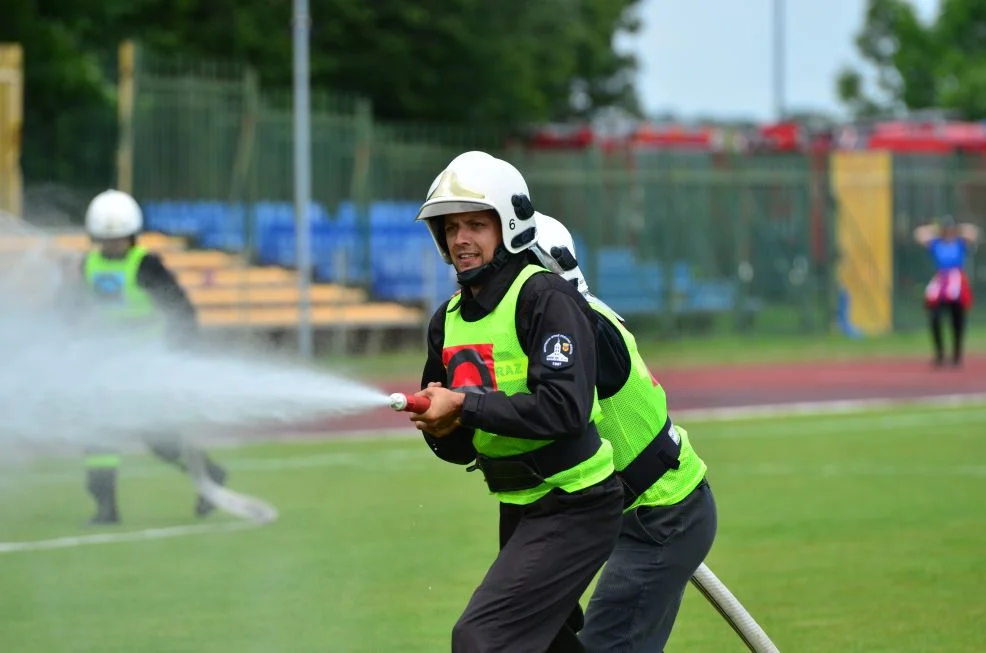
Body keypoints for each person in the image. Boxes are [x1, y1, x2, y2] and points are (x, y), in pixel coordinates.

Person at [408, 151, 625, 653]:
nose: (461, 239)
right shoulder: (448, 321)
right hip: (519, 502)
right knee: (548, 643)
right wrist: (441, 428)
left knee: (482, 638)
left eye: (476, 225)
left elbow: (565, 410)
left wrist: (463, 405)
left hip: (576, 503)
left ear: (508, 226)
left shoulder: (545, 298)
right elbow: (462, 448)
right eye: (451, 227)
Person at [531, 212, 717, 652]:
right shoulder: (575, 318)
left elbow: (554, 419)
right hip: (648, 514)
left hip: (664, 516)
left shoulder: (581, 329)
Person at [69, 188, 228, 525]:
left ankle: (209, 474)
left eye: (120, 238)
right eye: (105, 239)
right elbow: (71, 307)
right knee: (98, 434)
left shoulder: (147, 266)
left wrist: (183, 349)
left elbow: (180, 308)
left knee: (156, 438)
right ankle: (105, 507)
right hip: (107, 364)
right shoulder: (88, 265)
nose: (112, 245)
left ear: (133, 235)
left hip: (147, 361)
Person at [914, 215, 980, 367]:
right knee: (935, 317)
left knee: (958, 319)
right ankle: (940, 353)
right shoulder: (936, 244)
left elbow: (974, 232)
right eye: (946, 229)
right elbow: (919, 234)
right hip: (941, 281)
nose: (948, 232)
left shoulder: (959, 243)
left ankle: (957, 354)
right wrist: (936, 229)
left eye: (950, 229)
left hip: (957, 281)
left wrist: (958, 229)